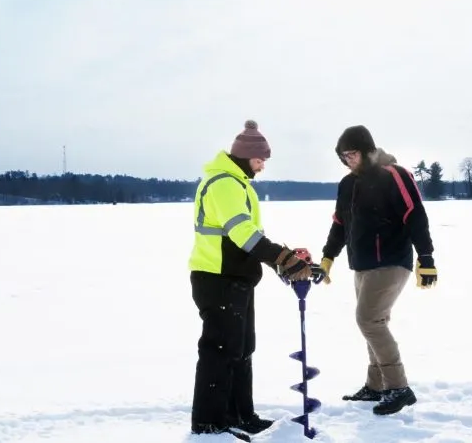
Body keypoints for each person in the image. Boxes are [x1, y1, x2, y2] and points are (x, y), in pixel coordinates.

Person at [188, 119, 321, 437]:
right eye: (260, 160)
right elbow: (243, 235)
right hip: (217, 277)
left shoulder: (238, 184)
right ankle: (209, 421)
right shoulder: (224, 184)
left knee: (242, 348)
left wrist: (284, 262)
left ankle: (239, 415)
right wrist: (280, 257)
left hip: (236, 278)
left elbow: (249, 239)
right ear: (246, 155)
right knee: (220, 351)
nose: (262, 167)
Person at [318, 125, 438, 416]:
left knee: (368, 320)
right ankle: (377, 385)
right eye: (344, 156)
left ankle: (398, 387)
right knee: (374, 322)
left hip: (391, 261)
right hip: (362, 264)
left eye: (353, 154)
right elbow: (339, 224)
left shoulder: (394, 174)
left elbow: (415, 214)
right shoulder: (347, 184)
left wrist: (426, 257)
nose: (349, 160)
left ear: (369, 150)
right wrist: (327, 257)